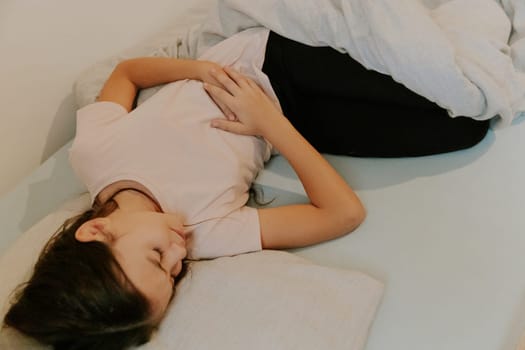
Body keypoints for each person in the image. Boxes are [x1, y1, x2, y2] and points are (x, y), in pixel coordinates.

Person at [3, 27, 489, 350]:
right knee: (462, 127)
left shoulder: (94, 151)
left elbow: (125, 74)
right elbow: (343, 214)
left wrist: (199, 70)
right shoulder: (204, 233)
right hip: (290, 122)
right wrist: (270, 125)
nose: (178, 254)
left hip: (267, 61)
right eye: (175, 274)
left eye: (156, 256)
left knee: (462, 88)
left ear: (96, 231)